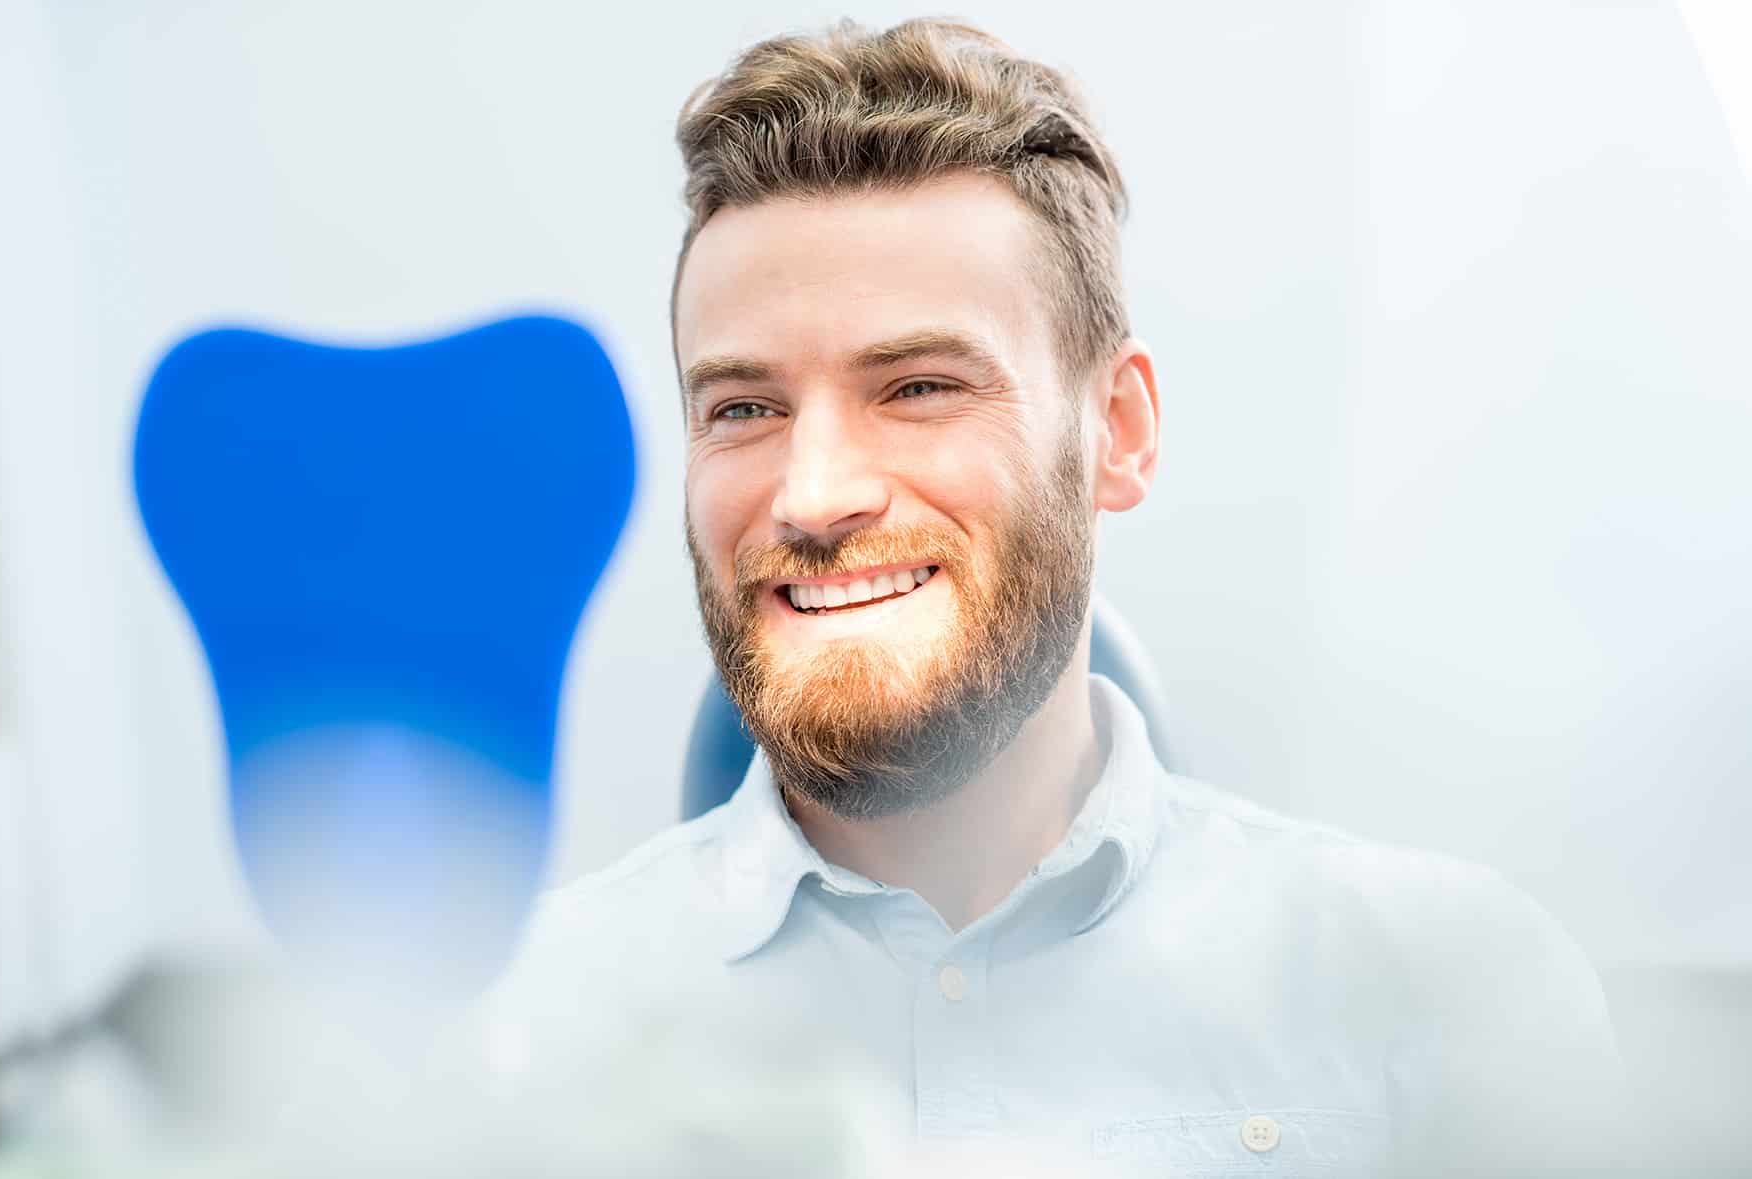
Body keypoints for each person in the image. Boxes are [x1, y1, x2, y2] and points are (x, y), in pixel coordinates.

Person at [479, 18, 1622, 1175]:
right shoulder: (500, 1040)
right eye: (741, 409)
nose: (810, 496)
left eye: (918, 386)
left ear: (1116, 433)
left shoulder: (1444, 1000)